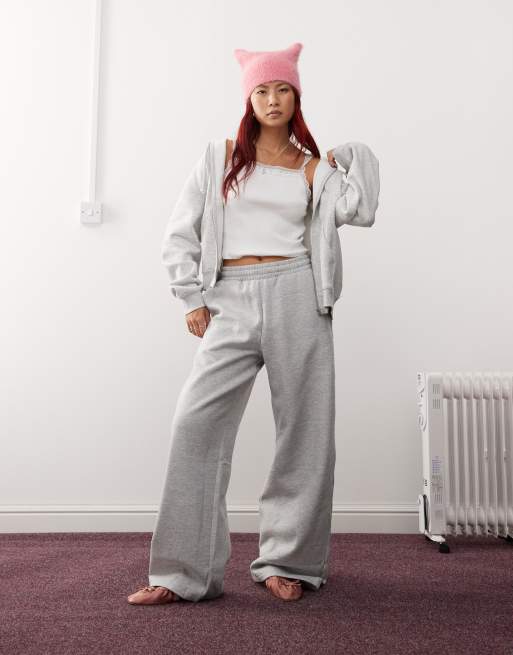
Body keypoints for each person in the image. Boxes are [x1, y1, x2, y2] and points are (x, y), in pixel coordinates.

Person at [127, 42, 380, 605]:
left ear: (296, 98)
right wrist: (190, 297)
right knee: (195, 424)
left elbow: (360, 210)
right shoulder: (218, 157)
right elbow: (180, 231)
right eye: (262, 90)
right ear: (248, 99)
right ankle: (182, 574)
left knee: (305, 431)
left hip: (298, 294)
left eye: (283, 89)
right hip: (230, 297)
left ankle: (288, 563)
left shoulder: (312, 167)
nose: (272, 99)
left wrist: (353, 156)